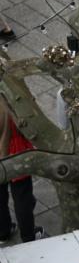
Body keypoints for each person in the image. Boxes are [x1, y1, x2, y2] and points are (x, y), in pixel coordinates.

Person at [0, 94, 42, 243]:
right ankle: (28, 236)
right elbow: (27, 122)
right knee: (22, 197)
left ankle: (3, 232)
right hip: (15, 153)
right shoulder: (7, 96)